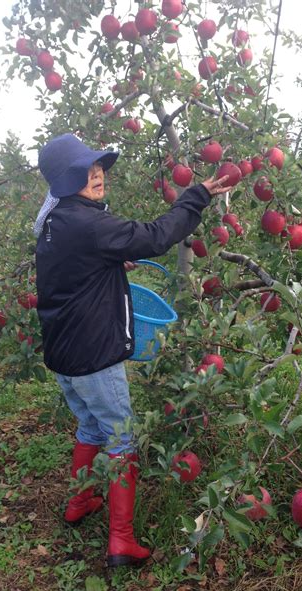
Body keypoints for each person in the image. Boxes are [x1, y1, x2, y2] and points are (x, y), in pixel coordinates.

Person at [34, 133, 232, 567]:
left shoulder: (54, 223)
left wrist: (108, 261)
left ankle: (79, 501)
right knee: (122, 440)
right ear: (65, 181)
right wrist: (195, 197)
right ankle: (121, 540)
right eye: (85, 171)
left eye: (97, 166)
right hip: (93, 355)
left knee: (90, 427)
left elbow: (73, 270)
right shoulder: (89, 224)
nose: (97, 173)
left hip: (65, 355)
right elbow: (157, 236)